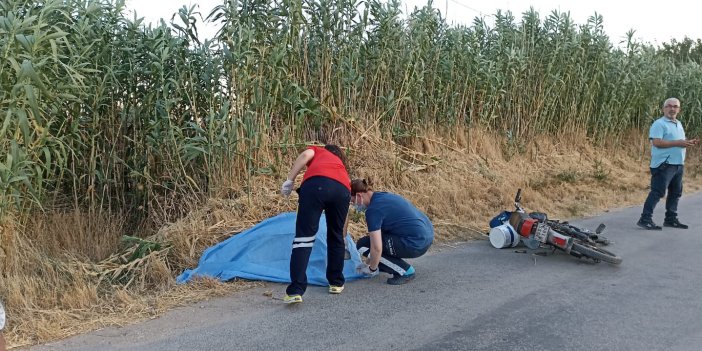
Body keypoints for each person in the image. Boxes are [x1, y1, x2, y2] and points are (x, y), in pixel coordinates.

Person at [280, 144, 351, 303]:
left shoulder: (319, 150)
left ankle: (295, 291)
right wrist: (342, 234)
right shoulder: (340, 166)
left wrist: (290, 180)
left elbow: (305, 156)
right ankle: (336, 282)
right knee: (335, 236)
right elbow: (344, 218)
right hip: (343, 189)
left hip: (316, 185)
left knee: (304, 239)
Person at [351, 178, 434, 285]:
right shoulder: (382, 196)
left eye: (353, 202)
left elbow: (376, 248)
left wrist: (371, 269)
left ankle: (406, 272)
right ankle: (382, 264)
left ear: (359, 196)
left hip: (415, 243)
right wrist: (368, 263)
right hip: (426, 236)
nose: (354, 206)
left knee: (362, 245)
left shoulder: (373, 211)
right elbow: (378, 238)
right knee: (372, 244)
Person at [637, 97, 699, 230]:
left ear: (679, 109)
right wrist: (679, 143)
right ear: (663, 109)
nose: (672, 108)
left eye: (675, 106)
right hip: (664, 165)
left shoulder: (678, 124)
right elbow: (657, 142)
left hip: (677, 164)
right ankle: (645, 219)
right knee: (657, 192)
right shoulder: (659, 124)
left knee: (676, 193)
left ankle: (671, 219)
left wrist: (687, 142)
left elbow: (676, 141)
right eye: (669, 106)